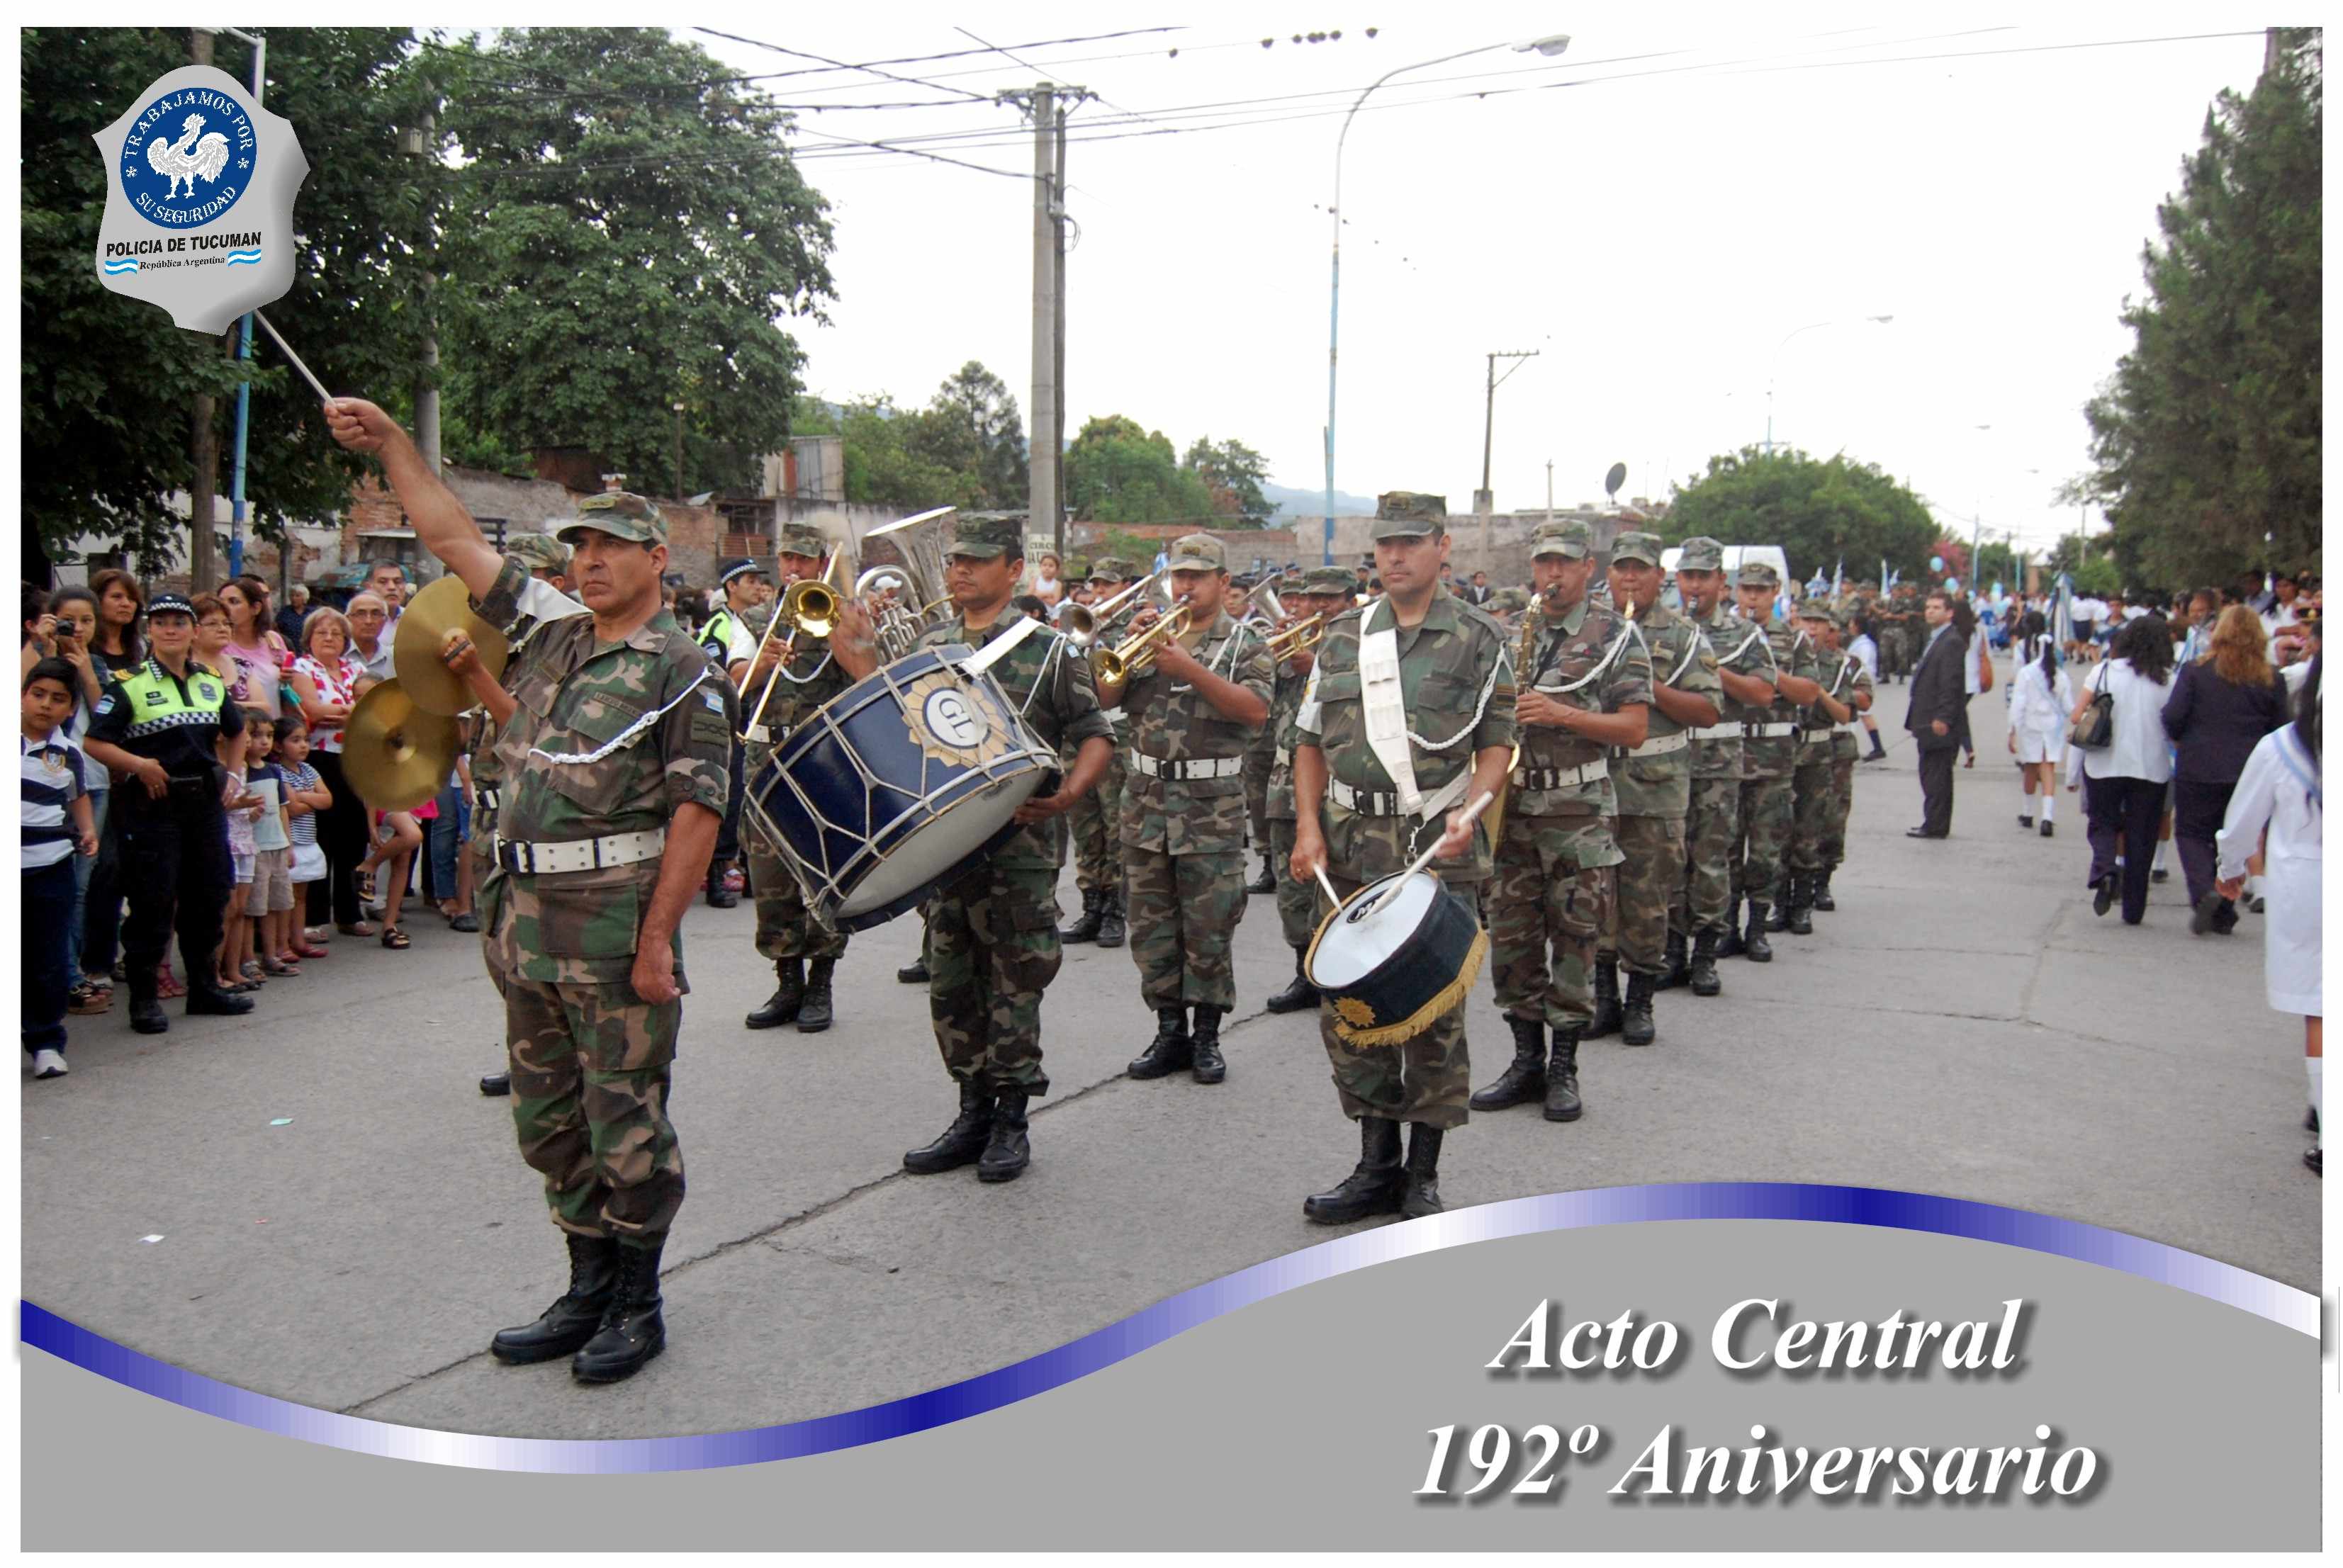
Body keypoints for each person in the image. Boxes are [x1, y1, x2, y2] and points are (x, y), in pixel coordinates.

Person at [330, 397, 732, 1384]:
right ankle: (584, 1282)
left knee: (624, 1121)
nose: (587, 561)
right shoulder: (553, 633)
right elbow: (453, 534)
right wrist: (391, 445)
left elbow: (698, 815)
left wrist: (654, 943)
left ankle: (638, 1301)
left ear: (655, 559)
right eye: (578, 547)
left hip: (613, 926)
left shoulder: (683, 672)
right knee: (549, 1120)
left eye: (610, 546)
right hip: (525, 923)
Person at [829, 515, 1114, 1183]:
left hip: (1019, 843)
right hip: (945, 847)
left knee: (1015, 979)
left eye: (977, 561)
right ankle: (970, 1110)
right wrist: (862, 660)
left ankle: (1011, 1118)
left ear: (1014, 570)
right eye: (956, 560)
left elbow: (1095, 731)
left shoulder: (1048, 651)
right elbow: (896, 723)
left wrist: (1071, 792)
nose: (961, 571)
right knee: (953, 979)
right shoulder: (930, 642)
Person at [1291, 492, 1512, 1220]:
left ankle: (1423, 1172)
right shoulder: (1345, 635)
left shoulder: (1479, 636)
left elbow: (1497, 748)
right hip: (1351, 844)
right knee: (1354, 1010)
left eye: (1411, 542)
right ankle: (1374, 1162)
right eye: (1386, 543)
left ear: (1441, 547)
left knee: (1431, 1012)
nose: (1395, 555)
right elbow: (1309, 741)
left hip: (1434, 848)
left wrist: (1469, 813)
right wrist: (1306, 827)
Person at [1106, 534, 1273, 1087]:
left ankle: (1206, 1035)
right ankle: (1168, 1029)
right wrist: (1122, 657)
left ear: (1224, 583)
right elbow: (1102, 699)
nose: (1185, 586)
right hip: (1146, 805)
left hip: (1210, 810)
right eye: (1179, 576)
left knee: (1209, 926)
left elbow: (1253, 711)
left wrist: (1188, 667)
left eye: (1198, 576)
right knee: (1152, 926)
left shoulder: (1246, 643)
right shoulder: (1150, 638)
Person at [441, 531, 588, 1098]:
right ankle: (530, 1049)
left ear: (552, 587)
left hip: (530, 820)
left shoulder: (562, 651)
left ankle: (560, 1056)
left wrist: (476, 674)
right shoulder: (496, 644)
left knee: (531, 945)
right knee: (497, 948)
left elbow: (528, 733)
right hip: (487, 817)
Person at [79, 592, 255, 1032]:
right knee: (152, 900)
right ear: (150, 631)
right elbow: (95, 742)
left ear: (194, 630)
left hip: (204, 805)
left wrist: (234, 778)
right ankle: (143, 999)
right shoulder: (128, 682)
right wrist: (138, 765)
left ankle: (203, 988)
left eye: (180, 621)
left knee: (210, 895)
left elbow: (237, 732)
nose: (170, 629)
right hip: (151, 806)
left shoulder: (211, 681)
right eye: (161, 622)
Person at [1588, 531, 1714, 1047]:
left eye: (1641, 568)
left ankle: (1640, 1000)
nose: (1631, 578)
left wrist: (1647, 687)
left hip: (1654, 789)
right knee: (1595, 897)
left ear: (1660, 577)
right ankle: (1602, 999)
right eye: (1622, 568)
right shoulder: (1589, 630)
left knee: (1647, 898)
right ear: (1609, 573)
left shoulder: (1682, 635)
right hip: (1594, 784)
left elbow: (1708, 710)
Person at [739, 526, 855, 1033]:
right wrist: (762, 664)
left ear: (821, 564)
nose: (792, 568)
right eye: (786, 557)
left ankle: (822, 980)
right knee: (770, 878)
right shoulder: (761, 618)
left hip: (819, 759)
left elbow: (867, 675)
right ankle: (787, 980)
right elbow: (734, 679)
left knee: (822, 873)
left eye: (803, 560)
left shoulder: (838, 612)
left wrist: (836, 628)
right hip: (766, 755)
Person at [2215, 655, 2322, 1173]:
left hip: (2306, 886)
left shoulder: (2281, 747)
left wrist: (2231, 867)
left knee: (2322, 1006)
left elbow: (2242, 822)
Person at [1668, 538, 1774, 995]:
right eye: (1688, 576)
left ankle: (1706, 954)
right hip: (1667, 762)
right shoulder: (1664, 630)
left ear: (1720, 583)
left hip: (1717, 763)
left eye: (1703, 577)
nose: (1695, 585)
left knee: (1711, 860)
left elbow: (1763, 694)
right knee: (1668, 860)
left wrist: (1711, 668)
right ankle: (1671, 950)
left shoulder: (1743, 635)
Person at [1261, 568, 1356, 1012]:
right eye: (1309, 598)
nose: (1318, 606)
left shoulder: (1363, 643)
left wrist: (1317, 660)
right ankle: (1305, 971)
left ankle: (1349, 973)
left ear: (1350, 602)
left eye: (1330, 599)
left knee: (1345, 883)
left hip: (1343, 781)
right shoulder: (1288, 645)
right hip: (1286, 778)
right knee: (1294, 883)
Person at [2163, 604, 2286, 934]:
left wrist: (2182, 739)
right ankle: (2225, 908)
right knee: (2235, 840)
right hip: (2248, 773)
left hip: (2199, 766)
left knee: (2191, 833)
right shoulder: (2272, 679)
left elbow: (2173, 717)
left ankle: (2205, 892)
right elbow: (2281, 730)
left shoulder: (2195, 672)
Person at [1719, 561, 1822, 957]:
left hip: (1773, 760)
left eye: (1761, 590)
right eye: (1747, 589)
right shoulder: (1722, 636)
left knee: (1765, 850)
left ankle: (1757, 926)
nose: (1753, 597)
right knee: (1725, 849)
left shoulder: (1793, 641)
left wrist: (1766, 675)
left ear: (1775, 592)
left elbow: (1810, 693)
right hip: (1727, 755)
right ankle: (1725, 925)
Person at [1059, 557, 1141, 950]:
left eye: (1108, 585)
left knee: (1115, 825)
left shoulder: (1134, 628)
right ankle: (1091, 905)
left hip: (1116, 736)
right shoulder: (1077, 627)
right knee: (1085, 824)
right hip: (1077, 735)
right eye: (1096, 586)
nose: (1100, 593)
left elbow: (1120, 688)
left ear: (1126, 585)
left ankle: (1114, 911)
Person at [23, 658, 98, 1080]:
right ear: (22, 694)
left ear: (71, 710)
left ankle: (46, 1041)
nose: (46, 706)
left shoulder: (68, 753)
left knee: (47, 957)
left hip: (49, 865)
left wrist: (88, 831)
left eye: (58, 700)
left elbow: (79, 798)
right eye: (38, 694)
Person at [2075, 616, 2176, 925]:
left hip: (2105, 762)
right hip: (2151, 767)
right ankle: (2134, 909)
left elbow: (2077, 714)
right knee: (2142, 837)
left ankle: (2105, 868)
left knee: (2103, 822)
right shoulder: (2169, 679)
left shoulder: (2103, 670)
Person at [288, 606, 376, 938]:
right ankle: (314, 916)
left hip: (354, 758)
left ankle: (350, 912)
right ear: (309, 638)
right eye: (322, 633)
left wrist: (343, 714)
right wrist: (352, 712)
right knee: (320, 836)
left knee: (354, 838)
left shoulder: (356, 668)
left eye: (337, 633)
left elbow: (375, 708)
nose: (329, 638)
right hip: (319, 759)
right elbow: (312, 710)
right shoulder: (302, 667)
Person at [1782, 603, 1861, 932]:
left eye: (1819, 623)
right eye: (1806, 622)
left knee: (1812, 829)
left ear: (1831, 629)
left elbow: (1845, 714)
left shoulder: (1838, 665)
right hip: (1783, 752)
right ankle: (1778, 902)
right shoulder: (1783, 657)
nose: (1811, 629)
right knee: (1777, 830)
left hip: (1818, 753)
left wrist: (1817, 693)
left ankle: (1804, 903)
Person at [697, 556, 767, 911]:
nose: (758, 587)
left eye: (759, 581)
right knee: (728, 798)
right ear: (731, 587)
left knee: (747, 798)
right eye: (751, 581)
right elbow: (720, 677)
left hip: (746, 720)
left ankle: (749, 873)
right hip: (725, 721)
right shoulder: (720, 625)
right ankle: (716, 878)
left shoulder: (748, 623)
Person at [1905, 590, 1969, 838]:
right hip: (1926, 718)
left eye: (1936, 607)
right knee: (1929, 771)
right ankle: (1932, 820)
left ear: (1949, 612)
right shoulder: (1937, 638)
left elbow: (1950, 684)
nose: (1930, 611)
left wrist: (1943, 716)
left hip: (1937, 721)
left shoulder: (1951, 641)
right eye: (1928, 607)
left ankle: (1936, 824)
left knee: (1937, 774)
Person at [2006, 611, 2074, 837]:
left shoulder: (2026, 673)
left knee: (2030, 768)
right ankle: (2048, 816)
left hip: (2030, 726)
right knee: (2048, 769)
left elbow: (2018, 705)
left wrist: (2012, 731)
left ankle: (2027, 812)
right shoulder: (2061, 676)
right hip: (2052, 728)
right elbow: (2069, 707)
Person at [271, 718, 332, 964]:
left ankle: (298, 940)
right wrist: (310, 800)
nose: (304, 746)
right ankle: (282, 943)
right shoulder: (278, 771)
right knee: (286, 896)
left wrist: (303, 796)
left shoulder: (309, 770)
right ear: (278, 746)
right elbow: (291, 808)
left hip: (308, 840)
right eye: (295, 740)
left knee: (301, 895)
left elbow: (328, 800)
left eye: (306, 740)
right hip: (291, 842)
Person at [218, 576, 288, 723]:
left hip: (271, 731)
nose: (224, 608)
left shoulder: (274, 641)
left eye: (233, 602)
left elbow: (285, 689)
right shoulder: (219, 645)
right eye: (220, 602)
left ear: (256, 608)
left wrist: (288, 680)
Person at [1844, 613, 1888, 759]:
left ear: (1856, 626)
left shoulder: (1864, 646)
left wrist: (1857, 683)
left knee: (1863, 714)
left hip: (1862, 684)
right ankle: (1877, 747)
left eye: (1851, 623)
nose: (1849, 626)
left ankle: (1876, 748)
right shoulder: (1859, 643)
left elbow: (1863, 667)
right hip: (1859, 683)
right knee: (1863, 715)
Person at [275, 582, 310, 648]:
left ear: (304, 598)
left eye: (297, 596)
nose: (294, 598)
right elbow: (276, 628)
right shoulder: (284, 612)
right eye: (292, 595)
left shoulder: (310, 613)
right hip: (288, 647)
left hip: (306, 648)